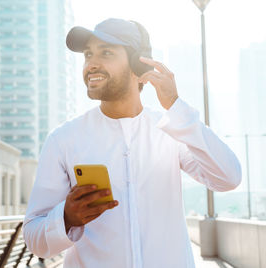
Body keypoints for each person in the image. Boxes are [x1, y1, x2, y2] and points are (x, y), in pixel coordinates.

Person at [23, 18, 242, 268]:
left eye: (105, 53)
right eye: (87, 55)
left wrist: (176, 107)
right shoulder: (63, 139)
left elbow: (228, 178)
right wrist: (66, 218)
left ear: (139, 64)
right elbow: (34, 239)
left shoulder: (173, 129)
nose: (91, 64)